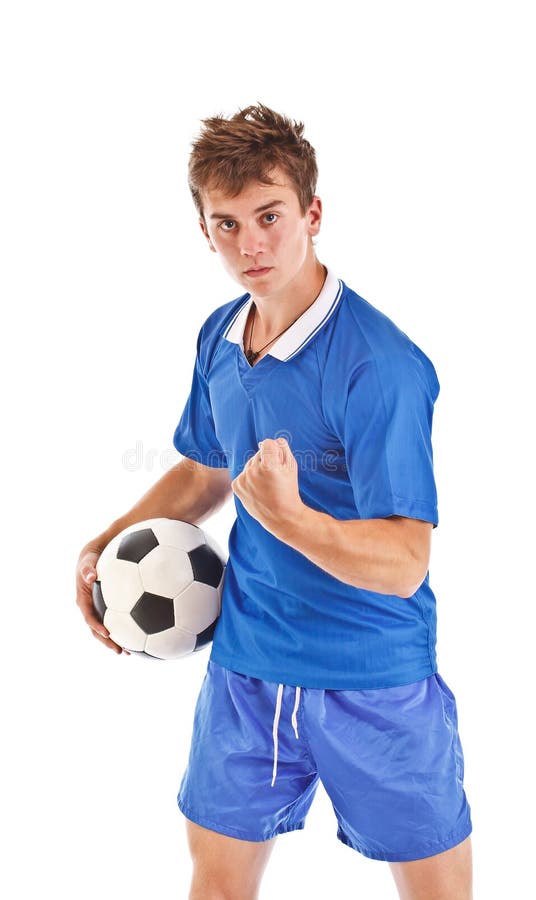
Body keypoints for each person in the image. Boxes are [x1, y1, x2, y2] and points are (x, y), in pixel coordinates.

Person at [75, 103, 473, 900]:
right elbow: (205, 469)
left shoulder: (380, 368)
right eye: (226, 224)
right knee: (217, 887)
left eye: (268, 217)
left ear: (312, 214)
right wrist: (108, 545)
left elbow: (404, 563)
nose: (249, 245)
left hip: (374, 679)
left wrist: (292, 519)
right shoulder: (221, 335)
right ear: (204, 229)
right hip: (247, 671)